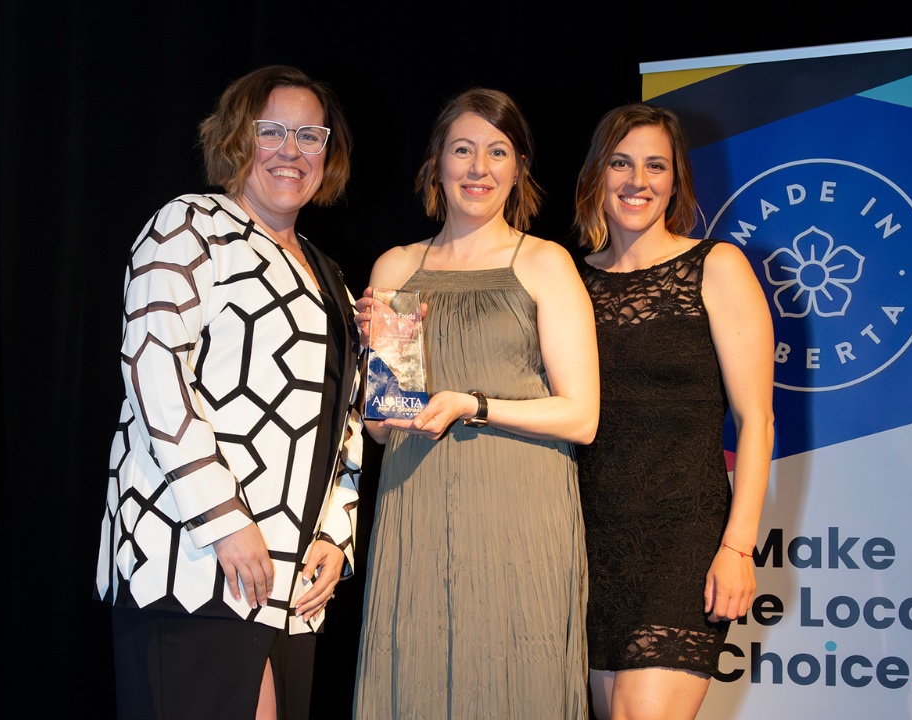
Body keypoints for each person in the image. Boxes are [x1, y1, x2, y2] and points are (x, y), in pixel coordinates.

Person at [95, 65, 364, 720]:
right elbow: (154, 367)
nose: (291, 150)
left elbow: (345, 418)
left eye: (309, 134)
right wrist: (221, 515)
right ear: (238, 138)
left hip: (288, 589)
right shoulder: (187, 226)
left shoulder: (331, 275)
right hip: (187, 565)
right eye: (271, 130)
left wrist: (335, 537)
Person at [351, 87, 599, 719]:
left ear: (518, 169)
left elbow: (582, 416)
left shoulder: (545, 263)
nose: (478, 168)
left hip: (521, 509)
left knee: (520, 681)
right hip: (418, 504)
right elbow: (383, 426)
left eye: (497, 152)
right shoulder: (397, 267)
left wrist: (474, 404)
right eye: (462, 150)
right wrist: (381, 365)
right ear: (438, 162)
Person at [572, 103, 775, 719]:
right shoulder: (567, 278)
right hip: (581, 539)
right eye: (621, 163)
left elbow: (758, 421)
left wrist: (739, 548)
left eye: (655, 166)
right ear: (596, 176)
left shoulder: (716, 266)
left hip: (682, 537)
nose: (638, 181)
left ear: (676, 179)